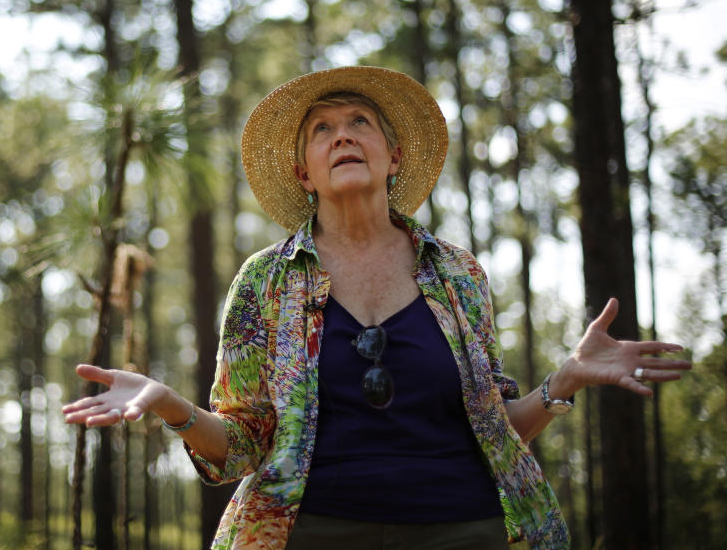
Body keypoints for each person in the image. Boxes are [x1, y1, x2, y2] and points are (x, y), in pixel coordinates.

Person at [62, 67, 691, 550]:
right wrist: (172, 404)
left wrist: (568, 379)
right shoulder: (264, 282)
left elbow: (494, 428)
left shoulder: (458, 274)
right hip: (312, 531)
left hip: (465, 527)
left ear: (393, 157)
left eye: (360, 122)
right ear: (305, 172)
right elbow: (243, 447)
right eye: (322, 130)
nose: (342, 135)